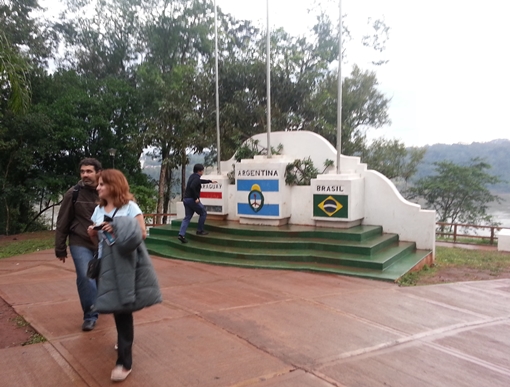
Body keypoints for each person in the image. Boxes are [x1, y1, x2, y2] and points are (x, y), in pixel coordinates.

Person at [88, 169, 162, 382]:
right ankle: (123, 339)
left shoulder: (130, 208)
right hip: (104, 264)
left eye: (102, 184)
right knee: (113, 305)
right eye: (98, 184)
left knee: (122, 310)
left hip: (125, 266)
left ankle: (124, 361)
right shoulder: (98, 210)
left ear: (114, 185)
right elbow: (99, 242)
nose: (98, 187)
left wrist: (117, 227)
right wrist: (94, 233)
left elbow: (142, 233)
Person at [55, 158, 102, 332]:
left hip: (103, 244)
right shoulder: (73, 193)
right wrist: (60, 248)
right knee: (85, 276)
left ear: (98, 172)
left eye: (89, 171)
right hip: (79, 241)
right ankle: (90, 316)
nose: (85, 175)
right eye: (82, 171)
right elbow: (62, 222)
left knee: (98, 278)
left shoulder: (106, 191)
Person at [178, 163, 217, 243]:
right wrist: (196, 198)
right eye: (202, 170)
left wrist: (209, 181)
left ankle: (181, 234)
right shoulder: (196, 178)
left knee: (187, 217)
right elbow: (193, 186)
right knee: (203, 213)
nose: (203, 172)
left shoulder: (193, 176)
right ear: (199, 171)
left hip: (186, 199)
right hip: (192, 200)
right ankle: (200, 230)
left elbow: (199, 181)